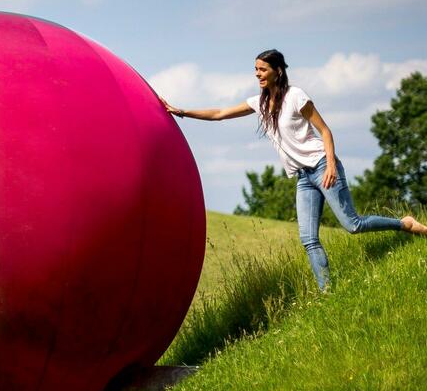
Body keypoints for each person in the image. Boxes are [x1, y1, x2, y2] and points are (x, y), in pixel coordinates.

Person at [160, 48, 427, 291]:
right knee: (308, 239)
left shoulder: (296, 96)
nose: (258, 74)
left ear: (277, 71)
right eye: (256, 70)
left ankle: (404, 224)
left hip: (322, 166)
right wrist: (181, 111)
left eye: (262, 70)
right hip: (302, 177)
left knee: (352, 224)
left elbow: (325, 131)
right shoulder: (259, 103)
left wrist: (331, 164)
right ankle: (327, 292)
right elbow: (220, 113)